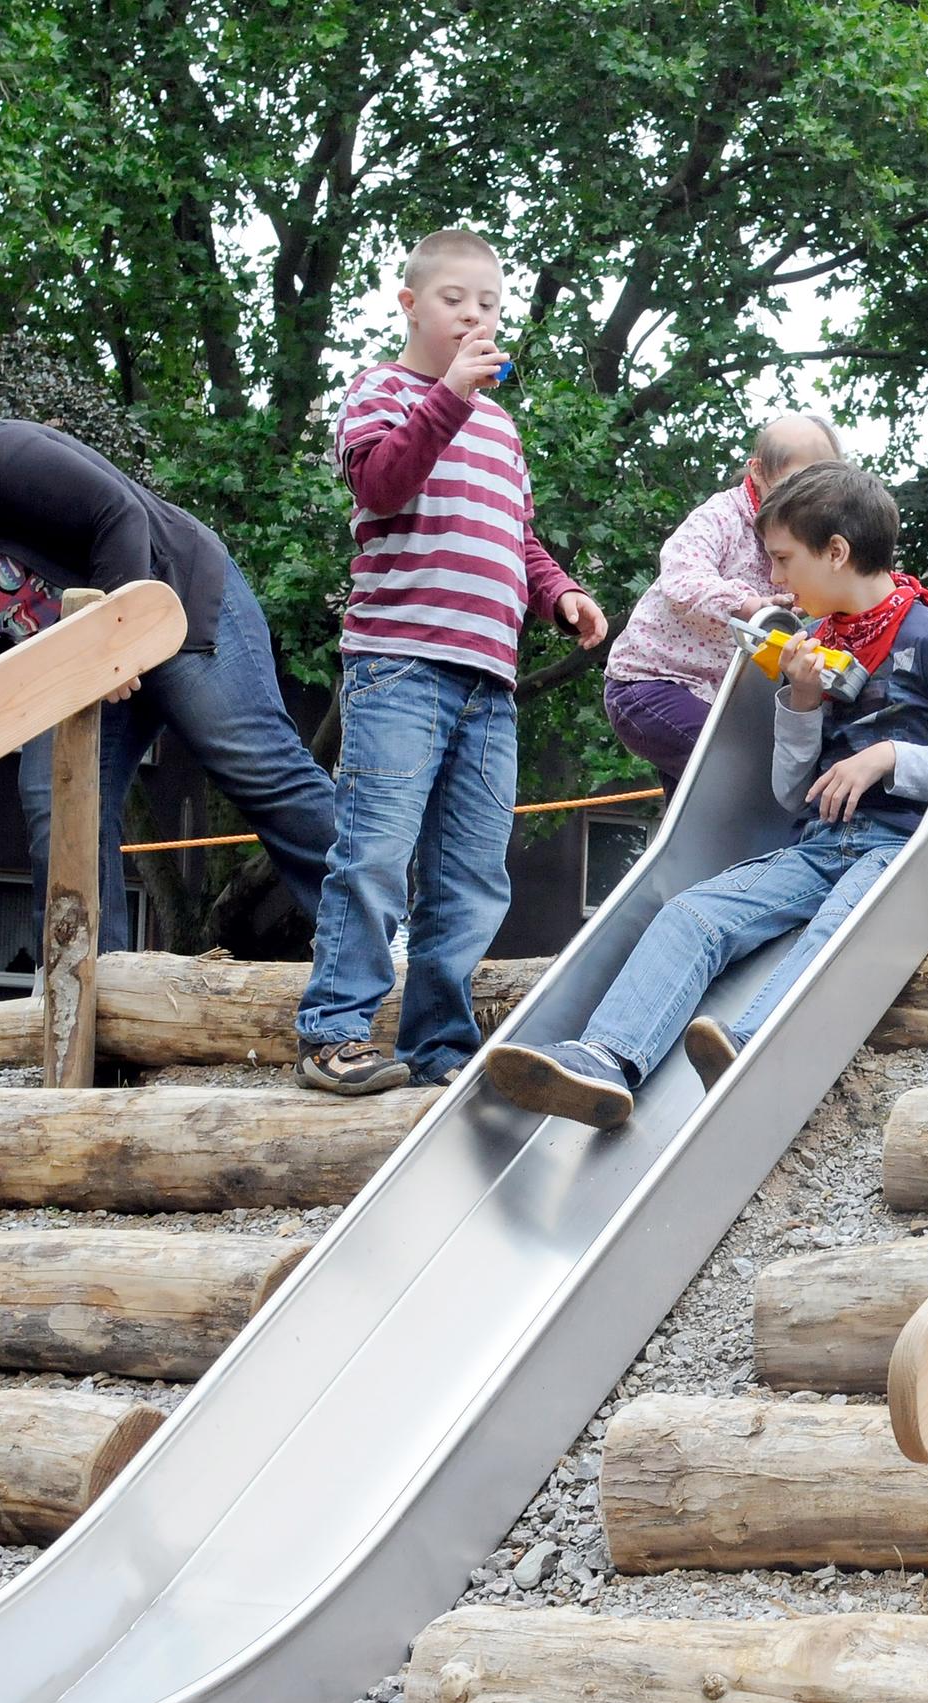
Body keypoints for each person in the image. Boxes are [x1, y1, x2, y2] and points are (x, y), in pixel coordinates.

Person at [485, 462, 928, 1130]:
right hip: (820, 845)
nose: (774, 580)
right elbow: (790, 791)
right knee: (694, 911)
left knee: (846, 919)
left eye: (783, 560)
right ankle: (605, 1058)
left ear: (836, 552)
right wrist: (802, 703)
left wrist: (889, 757)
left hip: (902, 850)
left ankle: (753, 1045)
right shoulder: (814, 647)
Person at [0, 394, 336, 952]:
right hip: (86, 670)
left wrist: (112, 646)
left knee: (257, 769)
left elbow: (117, 513)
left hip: (174, 600)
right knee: (53, 801)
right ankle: (91, 993)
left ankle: (375, 933)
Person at [293, 228, 607, 1094]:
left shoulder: (501, 430)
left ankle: (440, 1045)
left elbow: (519, 539)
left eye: (489, 304)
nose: (474, 316)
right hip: (399, 666)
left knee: (471, 875)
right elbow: (381, 486)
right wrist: (451, 400)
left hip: (487, 682)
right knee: (376, 855)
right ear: (410, 305)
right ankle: (334, 1031)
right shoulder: (380, 394)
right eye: (453, 301)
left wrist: (558, 594)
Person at [604, 414, 841, 793]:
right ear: (758, 472)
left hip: (716, 698)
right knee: (744, 775)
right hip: (652, 684)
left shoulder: (805, 539)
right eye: (791, 487)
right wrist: (749, 605)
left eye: (817, 492)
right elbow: (681, 578)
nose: (803, 504)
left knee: (695, 812)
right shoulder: (722, 517)